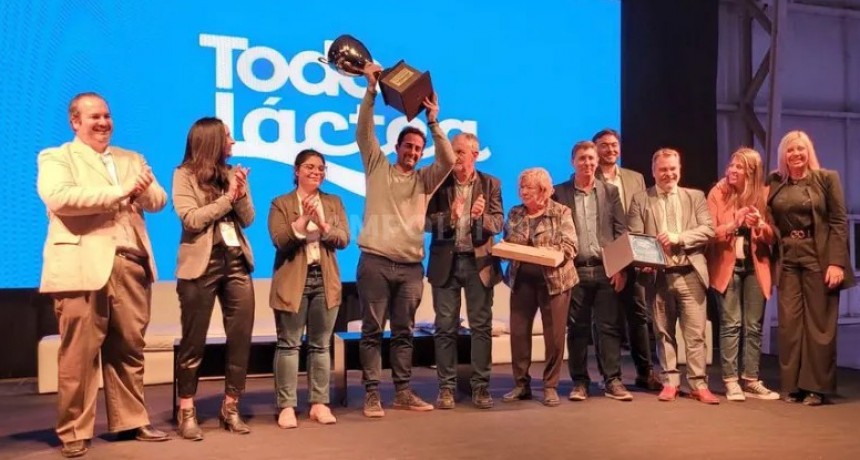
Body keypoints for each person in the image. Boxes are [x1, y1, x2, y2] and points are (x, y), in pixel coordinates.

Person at [36, 92, 169, 458]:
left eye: (107, 116)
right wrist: (121, 190)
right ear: (75, 122)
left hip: (130, 263)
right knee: (78, 355)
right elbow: (59, 197)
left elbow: (158, 200)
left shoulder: (131, 158)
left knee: (129, 348)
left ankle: (130, 419)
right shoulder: (57, 157)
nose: (103, 123)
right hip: (82, 267)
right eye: (94, 117)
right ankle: (74, 430)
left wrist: (142, 190)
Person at [355, 62, 456, 418]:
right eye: (408, 146)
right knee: (371, 332)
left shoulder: (425, 180)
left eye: (418, 149)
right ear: (396, 146)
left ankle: (402, 392)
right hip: (375, 262)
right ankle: (371, 393)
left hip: (411, 268)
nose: (413, 152)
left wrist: (433, 121)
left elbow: (449, 160)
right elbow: (364, 132)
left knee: (404, 334)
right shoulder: (377, 166)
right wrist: (370, 91)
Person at [172, 117, 255, 439]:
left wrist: (241, 193)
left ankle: (231, 406)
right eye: (228, 137)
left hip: (236, 262)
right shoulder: (183, 176)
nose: (233, 142)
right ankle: (187, 409)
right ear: (211, 141)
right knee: (193, 342)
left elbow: (247, 219)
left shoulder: (233, 175)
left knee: (240, 338)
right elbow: (191, 219)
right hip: (200, 265)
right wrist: (227, 199)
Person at [766, 130, 854, 406]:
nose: (795, 155)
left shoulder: (827, 179)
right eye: (790, 150)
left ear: (809, 152)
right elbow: (771, 220)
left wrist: (837, 262)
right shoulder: (776, 182)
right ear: (784, 155)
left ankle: (815, 388)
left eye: (800, 149)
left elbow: (839, 222)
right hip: (789, 257)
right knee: (790, 324)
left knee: (819, 324)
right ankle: (792, 385)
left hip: (819, 256)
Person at [627, 148, 719, 404]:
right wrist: (643, 261)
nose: (668, 174)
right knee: (663, 333)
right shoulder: (640, 199)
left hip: (690, 272)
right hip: (659, 277)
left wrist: (679, 238)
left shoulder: (695, 196)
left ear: (679, 170)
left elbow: (708, 230)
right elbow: (634, 236)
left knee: (696, 334)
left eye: (672, 169)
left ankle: (698, 384)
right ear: (653, 171)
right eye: (663, 169)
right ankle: (670, 382)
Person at [268, 149, 349, 427]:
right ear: (296, 170)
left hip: (324, 280)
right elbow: (279, 239)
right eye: (309, 167)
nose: (316, 172)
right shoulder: (281, 203)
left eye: (321, 168)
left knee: (320, 345)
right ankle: (286, 406)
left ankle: (318, 403)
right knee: (289, 344)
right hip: (293, 281)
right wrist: (302, 221)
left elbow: (343, 238)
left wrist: (324, 225)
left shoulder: (334, 202)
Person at [425, 132, 503, 410]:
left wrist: (480, 218)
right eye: (453, 151)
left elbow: (498, 223)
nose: (455, 157)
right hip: (446, 262)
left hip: (478, 263)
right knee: (445, 327)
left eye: (460, 152)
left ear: (475, 155)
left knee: (481, 327)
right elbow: (425, 223)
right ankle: (446, 388)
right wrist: (452, 217)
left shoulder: (490, 184)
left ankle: (480, 387)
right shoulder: (440, 182)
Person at [553, 141, 632, 402]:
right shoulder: (559, 192)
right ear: (572, 162)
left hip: (605, 269)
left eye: (591, 158)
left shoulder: (610, 192)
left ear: (597, 162)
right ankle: (580, 382)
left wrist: (620, 268)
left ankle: (612, 380)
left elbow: (621, 231)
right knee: (577, 329)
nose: (587, 163)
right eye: (582, 159)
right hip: (573, 271)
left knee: (608, 328)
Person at [707, 148, 779, 401]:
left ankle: (750, 379)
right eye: (731, 165)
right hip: (728, 267)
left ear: (752, 172)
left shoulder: (764, 195)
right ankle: (730, 380)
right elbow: (710, 233)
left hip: (754, 266)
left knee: (753, 326)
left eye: (739, 167)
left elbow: (773, 237)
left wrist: (759, 224)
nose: (732, 171)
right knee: (731, 324)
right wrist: (734, 224)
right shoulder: (718, 193)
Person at [501, 168, 578, 407]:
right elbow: (508, 239)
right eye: (521, 187)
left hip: (554, 281)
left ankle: (550, 386)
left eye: (529, 187)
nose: (523, 192)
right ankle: (521, 384)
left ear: (543, 190)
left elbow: (571, 246)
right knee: (519, 333)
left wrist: (554, 253)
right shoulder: (515, 213)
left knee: (554, 336)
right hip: (522, 280)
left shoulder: (561, 212)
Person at [593, 128, 661, 390]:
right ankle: (609, 376)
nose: (610, 150)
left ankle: (645, 372)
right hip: (604, 258)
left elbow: (644, 217)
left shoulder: (635, 178)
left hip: (634, 257)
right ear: (595, 148)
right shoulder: (588, 177)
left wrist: (647, 254)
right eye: (603, 145)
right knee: (605, 320)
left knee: (639, 317)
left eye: (613, 145)